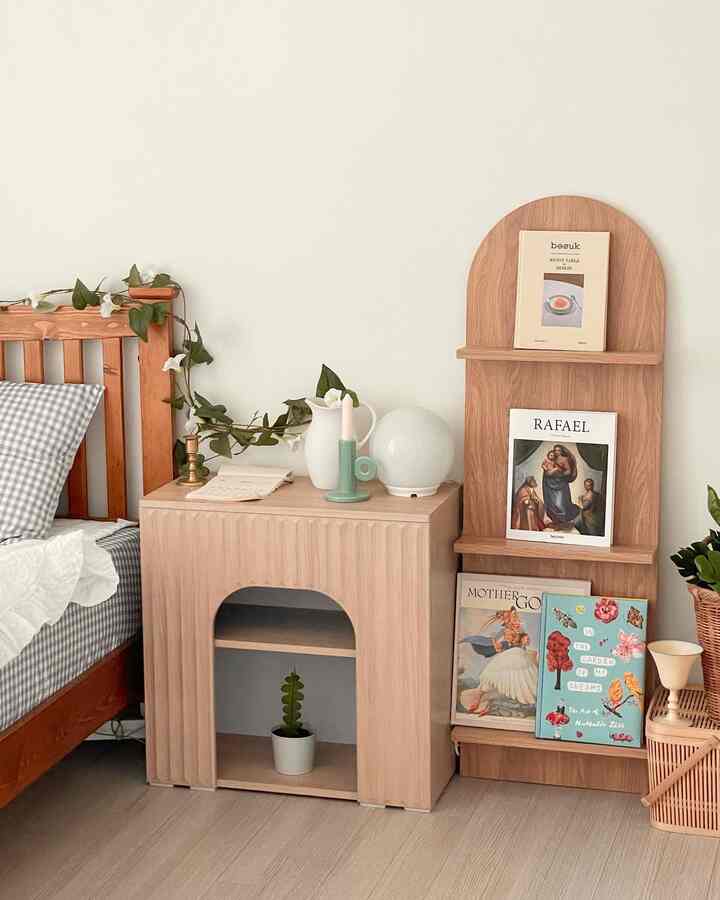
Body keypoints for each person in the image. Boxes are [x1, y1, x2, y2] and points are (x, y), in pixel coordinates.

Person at [542, 444, 580, 526]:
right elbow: (546, 468)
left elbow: (568, 471)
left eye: (558, 450)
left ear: (562, 451)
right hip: (551, 484)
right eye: (555, 450)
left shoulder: (564, 459)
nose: (556, 452)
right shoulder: (552, 458)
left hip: (561, 484)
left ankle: (562, 522)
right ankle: (556, 522)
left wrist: (559, 474)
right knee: (551, 503)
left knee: (559, 504)